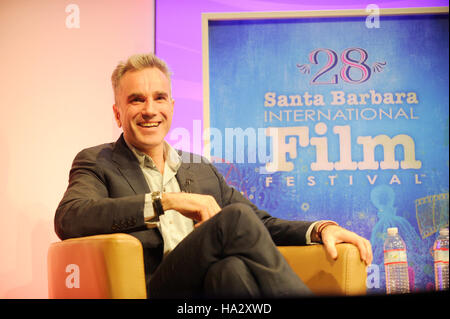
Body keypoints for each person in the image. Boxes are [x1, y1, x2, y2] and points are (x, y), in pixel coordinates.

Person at [55, 53, 373, 298]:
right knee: (232, 219)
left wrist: (319, 229)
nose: (149, 109)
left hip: (210, 284)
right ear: (117, 113)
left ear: (172, 107)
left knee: (231, 269)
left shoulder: (200, 167)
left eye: (159, 98)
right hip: (155, 288)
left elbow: (257, 225)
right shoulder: (98, 161)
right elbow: (69, 217)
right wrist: (165, 201)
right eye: (136, 99)